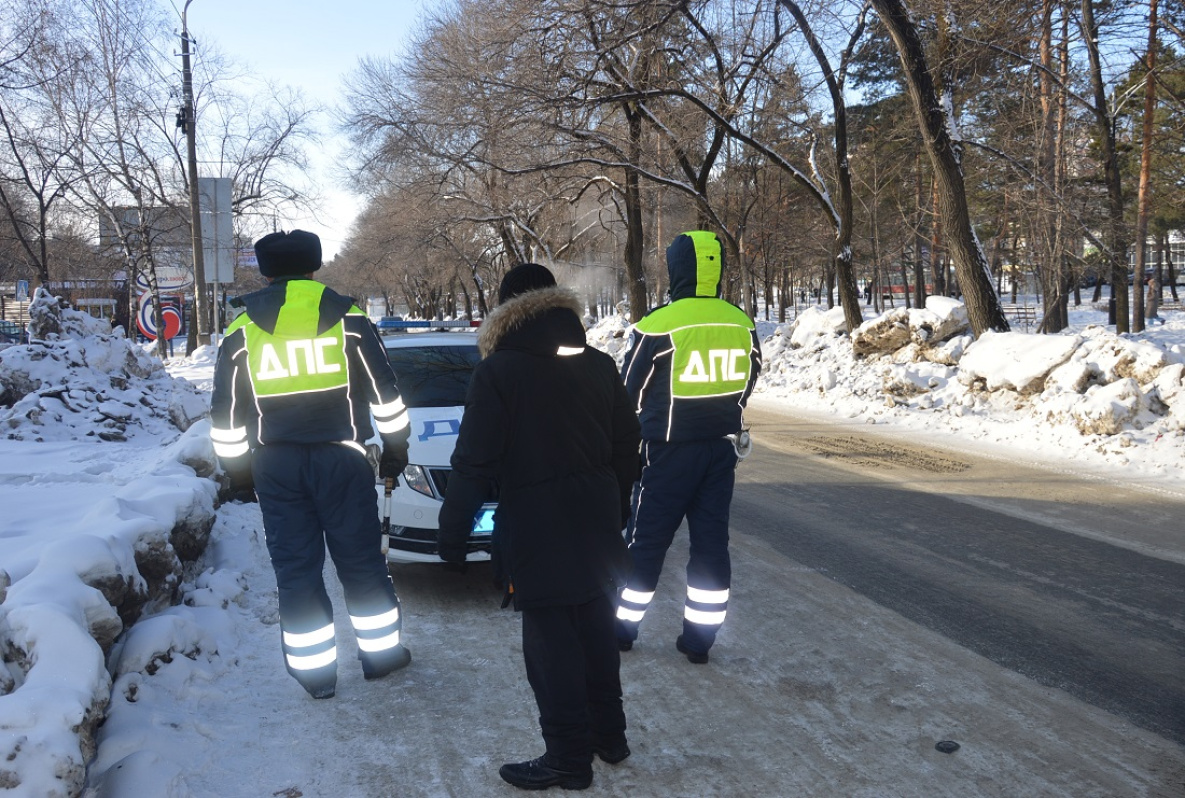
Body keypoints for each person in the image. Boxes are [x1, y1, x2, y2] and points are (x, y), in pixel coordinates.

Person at [437, 263, 640, 792]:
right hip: (596, 521)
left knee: (551, 649)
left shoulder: (499, 372)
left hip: (537, 527)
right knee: (595, 629)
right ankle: (609, 737)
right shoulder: (598, 362)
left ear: (505, 313)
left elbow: (473, 462)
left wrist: (453, 532)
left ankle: (569, 759)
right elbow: (627, 444)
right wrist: (613, 505)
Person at [208, 229, 412, 699]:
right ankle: (381, 657)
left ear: (264, 271)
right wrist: (396, 450)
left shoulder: (242, 331)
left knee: (297, 570)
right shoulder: (351, 319)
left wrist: (239, 475)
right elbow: (387, 397)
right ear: (314, 266)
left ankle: (316, 676)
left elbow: (225, 417)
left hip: (275, 465)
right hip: (344, 459)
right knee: (361, 563)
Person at [614, 230, 762, 664]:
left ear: (677, 268)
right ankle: (699, 642)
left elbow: (629, 394)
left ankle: (621, 630)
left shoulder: (659, 324)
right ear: (716, 271)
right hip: (721, 453)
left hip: (666, 454)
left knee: (645, 544)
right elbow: (749, 381)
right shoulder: (741, 321)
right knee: (711, 546)